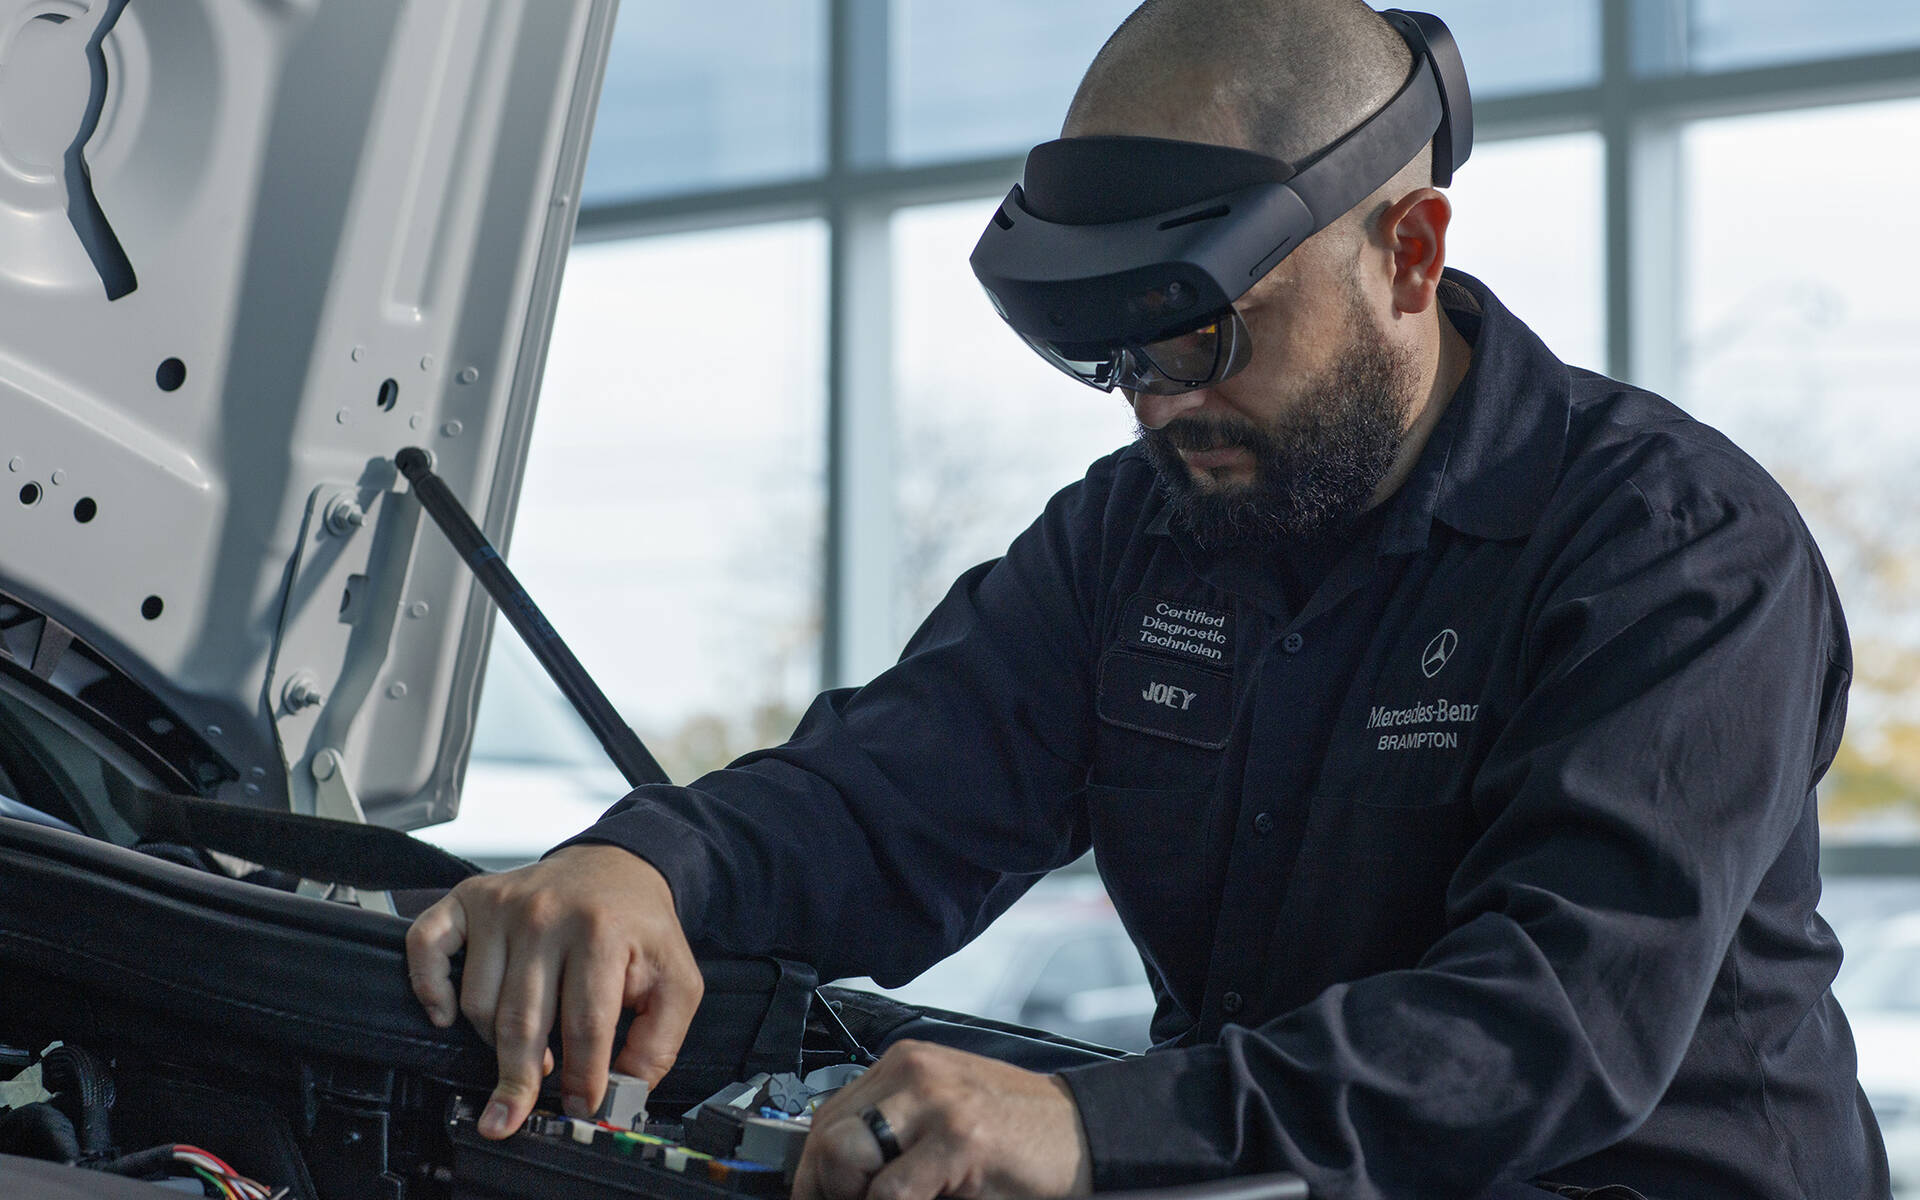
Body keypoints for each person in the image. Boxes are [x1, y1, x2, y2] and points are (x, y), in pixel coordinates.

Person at [405, 1, 1890, 1197]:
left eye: (1205, 339)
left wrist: (1096, 1129)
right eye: (1116, 362)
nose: (1161, 410)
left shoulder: (1675, 549)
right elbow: (888, 796)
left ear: (1410, 254)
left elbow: (1549, 1023)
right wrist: (647, 872)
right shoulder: (1150, 530)